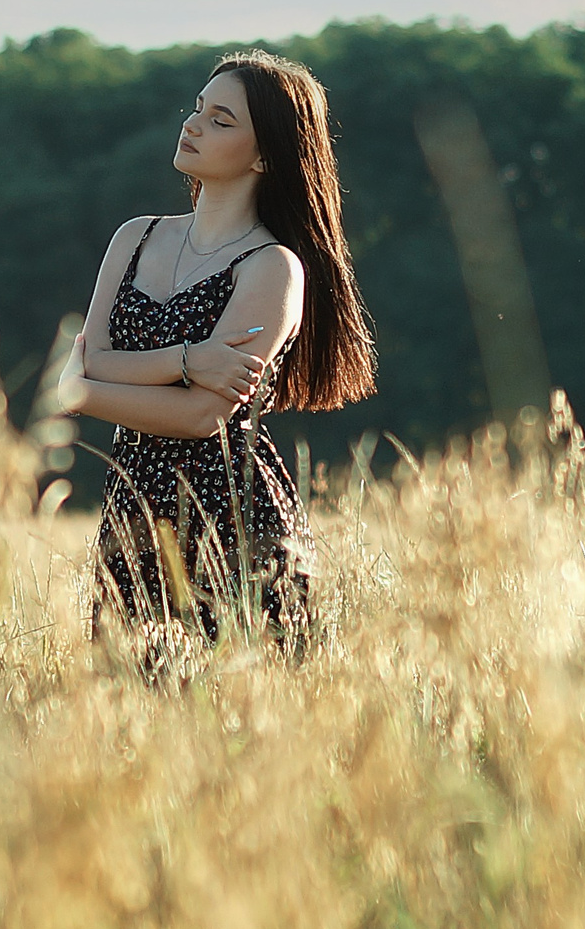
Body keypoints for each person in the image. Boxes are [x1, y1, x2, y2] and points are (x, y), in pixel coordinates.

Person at [52, 49, 375, 664]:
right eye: (197, 109)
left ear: (264, 155)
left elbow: (201, 417)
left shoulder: (272, 268)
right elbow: (95, 359)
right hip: (132, 521)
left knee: (242, 740)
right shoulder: (136, 237)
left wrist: (82, 395)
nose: (192, 125)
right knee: (124, 737)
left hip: (235, 529)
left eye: (221, 120)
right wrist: (188, 359)